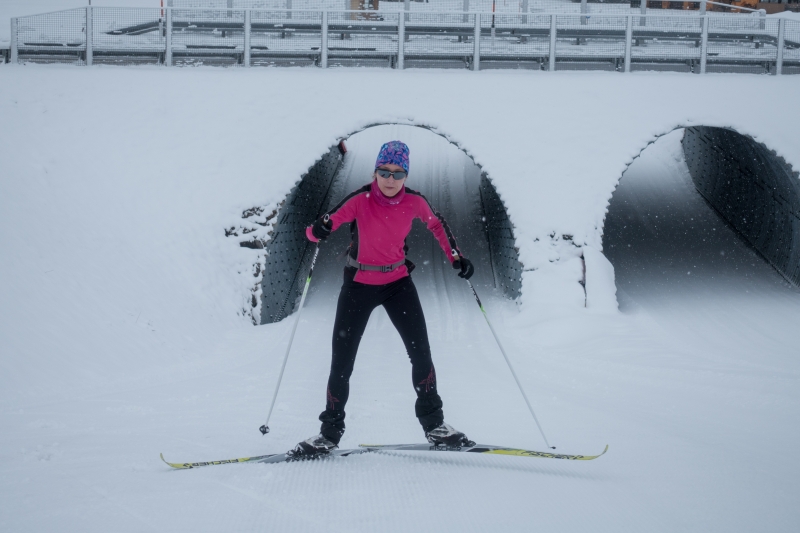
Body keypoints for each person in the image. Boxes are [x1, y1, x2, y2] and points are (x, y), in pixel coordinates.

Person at [289, 140, 476, 458]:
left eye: (398, 173)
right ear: (375, 172)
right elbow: (315, 230)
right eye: (384, 172)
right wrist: (318, 230)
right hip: (358, 285)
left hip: (397, 283)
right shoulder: (359, 200)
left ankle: (435, 426)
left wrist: (456, 257)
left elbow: (436, 224)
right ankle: (329, 434)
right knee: (342, 362)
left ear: (406, 175)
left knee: (421, 354)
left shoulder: (415, 201)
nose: (390, 179)